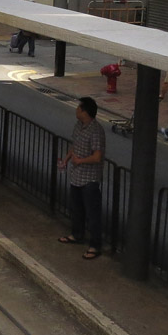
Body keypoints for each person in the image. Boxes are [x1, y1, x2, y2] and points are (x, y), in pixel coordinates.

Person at [57, 97, 106, 260]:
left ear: (85, 111)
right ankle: (76, 235)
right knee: (76, 209)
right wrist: (66, 159)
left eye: (79, 107)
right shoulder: (79, 125)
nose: (76, 109)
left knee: (92, 214)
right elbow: (75, 145)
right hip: (76, 176)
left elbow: (97, 157)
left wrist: (80, 161)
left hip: (89, 179)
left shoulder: (96, 131)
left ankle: (95, 245)